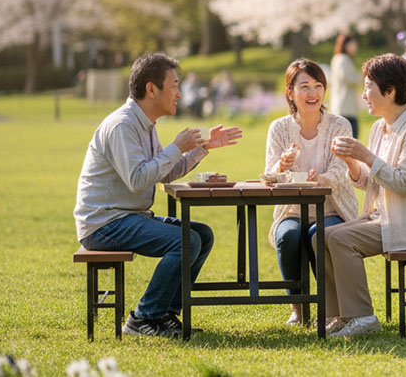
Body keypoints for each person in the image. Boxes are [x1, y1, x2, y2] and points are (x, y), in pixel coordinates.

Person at [73, 53, 243, 337]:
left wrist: (202, 148)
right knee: (186, 240)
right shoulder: (122, 126)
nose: (179, 93)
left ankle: (164, 314)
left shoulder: (146, 125)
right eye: (174, 85)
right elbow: (139, 180)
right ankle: (143, 318)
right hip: (105, 223)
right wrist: (176, 147)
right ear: (151, 89)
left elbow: (163, 173)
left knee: (201, 235)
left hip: (126, 217)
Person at [320, 53, 406, 337]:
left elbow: (404, 184)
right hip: (384, 217)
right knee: (321, 236)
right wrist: (352, 161)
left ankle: (362, 317)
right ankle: (338, 315)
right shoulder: (380, 128)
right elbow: (373, 182)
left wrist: (366, 155)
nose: (363, 94)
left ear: (390, 92)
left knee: (339, 238)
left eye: (369, 87)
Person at [264, 59, 359, 325]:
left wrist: (323, 180)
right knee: (288, 236)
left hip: (332, 207)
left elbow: (342, 172)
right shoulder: (279, 128)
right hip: (292, 209)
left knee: (321, 235)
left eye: (318, 86)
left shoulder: (340, 125)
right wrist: (281, 165)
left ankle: (331, 309)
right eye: (304, 87)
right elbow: (270, 176)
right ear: (290, 93)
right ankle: (299, 307)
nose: (312, 93)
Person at [330, 33, 363, 137]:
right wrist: (363, 77)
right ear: (346, 44)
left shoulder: (342, 58)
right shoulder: (342, 59)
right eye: (353, 44)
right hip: (344, 106)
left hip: (345, 106)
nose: (355, 46)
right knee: (350, 138)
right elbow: (346, 78)